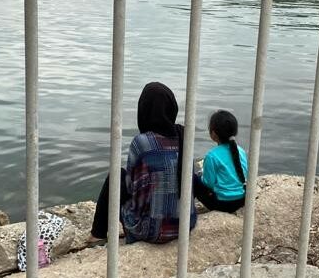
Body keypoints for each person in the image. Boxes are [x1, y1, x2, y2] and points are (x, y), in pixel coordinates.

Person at [89, 82, 197, 245]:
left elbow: (131, 187)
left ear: (143, 110)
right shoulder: (184, 136)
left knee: (116, 177)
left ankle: (97, 234)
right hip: (183, 226)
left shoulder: (142, 143)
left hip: (149, 231)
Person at [193, 110, 248, 213]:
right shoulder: (241, 151)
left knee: (194, 179)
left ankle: (188, 210)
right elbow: (243, 174)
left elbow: (208, 183)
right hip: (241, 200)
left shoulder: (212, 156)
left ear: (213, 134)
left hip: (222, 204)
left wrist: (201, 175)